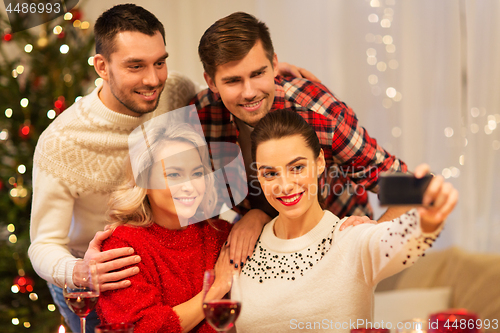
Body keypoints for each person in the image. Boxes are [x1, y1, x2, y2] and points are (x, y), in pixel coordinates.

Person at [28, 5, 318, 331]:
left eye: (160, 62)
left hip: (178, 250)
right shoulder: (61, 142)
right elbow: (42, 244)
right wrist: (80, 271)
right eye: (135, 66)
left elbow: (227, 91)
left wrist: (267, 77)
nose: (153, 80)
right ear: (102, 66)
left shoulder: (176, 92)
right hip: (106, 273)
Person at [190, 12, 411, 268]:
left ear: (274, 64)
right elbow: (184, 203)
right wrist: (255, 216)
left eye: (258, 73)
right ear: (211, 82)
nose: (249, 92)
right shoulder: (201, 116)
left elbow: (409, 188)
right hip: (263, 246)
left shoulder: (322, 113)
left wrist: (372, 240)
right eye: (232, 81)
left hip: (337, 243)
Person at [235, 110, 458, 333]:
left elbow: (399, 244)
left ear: (320, 162)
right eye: (270, 174)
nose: (284, 186)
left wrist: (427, 222)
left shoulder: (350, 236)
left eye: (297, 168)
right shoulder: (243, 245)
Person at [97, 118, 236, 333]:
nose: (189, 187)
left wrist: (256, 217)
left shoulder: (219, 234)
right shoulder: (121, 246)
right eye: (174, 175)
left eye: (197, 173)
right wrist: (215, 290)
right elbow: (144, 329)